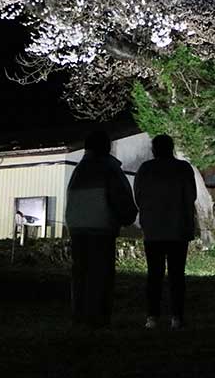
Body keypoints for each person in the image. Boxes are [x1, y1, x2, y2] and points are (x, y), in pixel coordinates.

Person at [65, 129, 138, 328]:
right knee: (101, 275)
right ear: (107, 147)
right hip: (101, 228)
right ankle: (99, 317)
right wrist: (127, 216)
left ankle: (79, 315)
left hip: (78, 229)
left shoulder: (79, 170)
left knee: (81, 274)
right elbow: (122, 199)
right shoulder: (109, 168)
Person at [133, 133, 197, 330]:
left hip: (153, 229)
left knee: (154, 274)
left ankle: (152, 316)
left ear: (154, 150)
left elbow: (139, 196)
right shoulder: (183, 168)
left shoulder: (145, 169)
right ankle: (177, 317)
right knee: (177, 274)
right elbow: (191, 196)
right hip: (178, 229)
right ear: (172, 148)